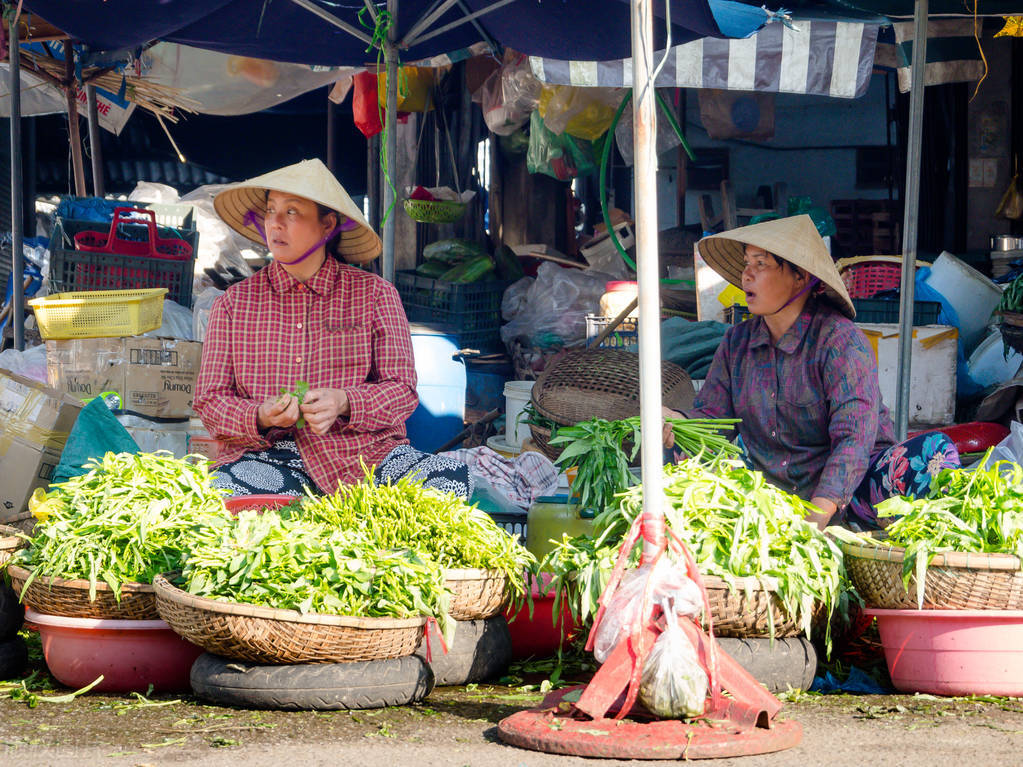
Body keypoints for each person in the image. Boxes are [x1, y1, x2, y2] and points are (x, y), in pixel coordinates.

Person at [194, 158, 472, 498]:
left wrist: (344, 401)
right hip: (270, 461)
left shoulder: (375, 295)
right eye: (270, 210)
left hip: (368, 458)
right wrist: (261, 416)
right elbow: (209, 402)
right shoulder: (234, 305)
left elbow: (403, 391)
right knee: (221, 490)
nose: (275, 224)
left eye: (292, 212)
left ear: (327, 226)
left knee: (450, 476)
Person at [663, 215, 959, 530]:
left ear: (800, 277)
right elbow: (713, 425)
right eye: (746, 263)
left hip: (853, 492)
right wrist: (678, 423)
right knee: (683, 451)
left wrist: (814, 520)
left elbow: (853, 440)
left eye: (760, 264)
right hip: (772, 492)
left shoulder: (839, 340)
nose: (746, 274)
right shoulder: (737, 342)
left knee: (932, 453)